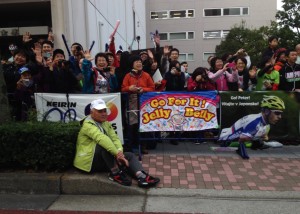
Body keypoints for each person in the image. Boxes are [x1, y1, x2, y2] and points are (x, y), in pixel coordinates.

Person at [73, 98, 160, 187]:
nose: (103, 114)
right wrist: (117, 154)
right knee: (103, 146)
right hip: (87, 164)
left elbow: (115, 138)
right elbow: (102, 139)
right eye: (100, 111)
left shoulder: (105, 123)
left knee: (129, 155)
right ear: (91, 112)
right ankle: (115, 173)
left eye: (104, 111)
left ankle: (141, 177)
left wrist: (120, 153)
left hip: (101, 159)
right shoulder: (87, 125)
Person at [219, 95, 285, 159]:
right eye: (277, 113)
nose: (280, 117)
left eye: (280, 114)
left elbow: (265, 138)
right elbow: (241, 139)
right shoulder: (255, 122)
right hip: (226, 141)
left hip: (237, 138)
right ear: (266, 111)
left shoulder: (266, 124)